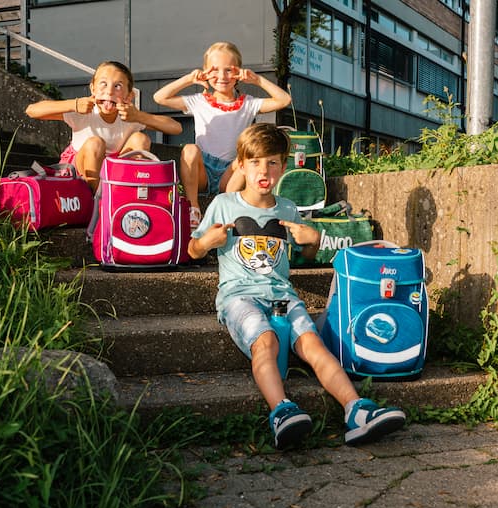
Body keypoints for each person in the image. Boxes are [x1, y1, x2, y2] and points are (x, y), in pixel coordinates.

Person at [188, 123, 406, 449]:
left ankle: (357, 410)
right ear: (241, 166)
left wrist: (312, 241)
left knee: (314, 345)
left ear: (283, 167)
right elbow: (193, 250)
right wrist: (208, 241)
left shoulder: (288, 208)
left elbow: (305, 254)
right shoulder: (224, 204)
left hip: (282, 295)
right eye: (255, 162)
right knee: (265, 340)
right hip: (239, 296)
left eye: (272, 162)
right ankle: (281, 411)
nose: (264, 170)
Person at [153, 41, 291, 229]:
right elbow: (159, 97)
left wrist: (258, 80)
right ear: (205, 72)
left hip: (231, 171)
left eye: (228, 70)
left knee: (244, 159)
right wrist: (189, 79)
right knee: (190, 149)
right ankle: (193, 208)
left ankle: (225, 209)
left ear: (239, 72)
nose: (221, 76)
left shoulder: (248, 104)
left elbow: (284, 100)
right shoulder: (199, 101)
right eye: (215, 70)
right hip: (203, 170)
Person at [26, 60, 182, 190]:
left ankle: (126, 191)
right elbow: (32, 110)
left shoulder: (129, 116)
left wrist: (139, 116)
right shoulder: (83, 110)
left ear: (129, 96)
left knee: (140, 139)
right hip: (80, 171)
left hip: (115, 171)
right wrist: (73, 104)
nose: (109, 92)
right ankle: (92, 201)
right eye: (103, 84)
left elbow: (176, 128)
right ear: (92, 88)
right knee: (96, 143)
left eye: (118, 86)